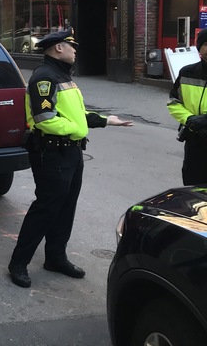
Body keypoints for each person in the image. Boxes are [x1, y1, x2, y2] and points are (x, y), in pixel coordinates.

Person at [7, 28, 133, 288]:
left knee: (66, 207)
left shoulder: (63, 76)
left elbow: (77, 113)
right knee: (46, 208)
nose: (76, 50)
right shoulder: (44, 78)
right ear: (58, 49)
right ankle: (18, 264)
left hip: (71, 151)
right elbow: (44, 119)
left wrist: (107, 120)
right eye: (71, 46)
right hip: (52, 152)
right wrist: (78, 130)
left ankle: (55, 257)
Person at [167, 28, 207, 185]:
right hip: (195, 142)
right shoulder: (187, 73)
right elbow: (173, 102)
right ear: (199, 48)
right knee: (192, 187)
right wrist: (189, 119)